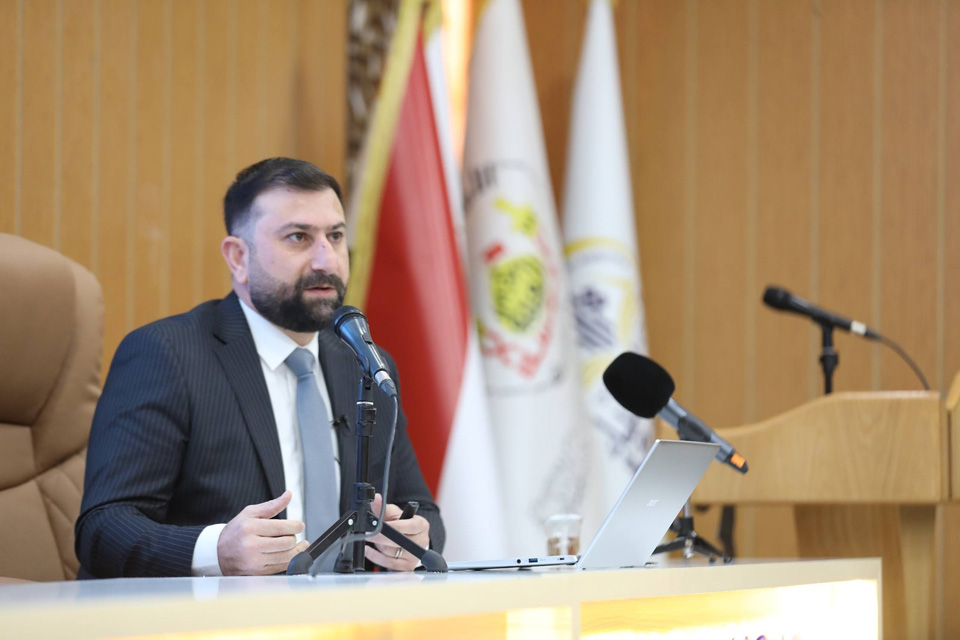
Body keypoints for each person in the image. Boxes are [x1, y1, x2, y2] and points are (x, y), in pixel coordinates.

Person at [75, 158, 444, 578]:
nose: (326, 260)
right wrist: (217, 551)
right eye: (298, 237)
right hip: (213, 612)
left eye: (335, 236)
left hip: (344, 612)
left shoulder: (364, 363)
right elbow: (103, 529)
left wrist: (414, 538)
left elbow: (423, 512)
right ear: (238, 257)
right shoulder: (167, 354)